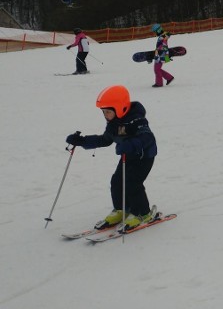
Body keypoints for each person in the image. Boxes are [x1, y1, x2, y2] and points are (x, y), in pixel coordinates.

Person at [65, 85, 159, 230]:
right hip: (127, 156)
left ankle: (143, 213)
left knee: (133, 182)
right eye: (103, 112)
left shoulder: (137, 119)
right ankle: (122, 209)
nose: (105, 115)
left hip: (144, 157)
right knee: (117, 181)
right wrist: (82, 141)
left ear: (120, 108)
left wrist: (131, 144)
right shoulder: (113, 123)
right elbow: (105, 140)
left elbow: (148, 137)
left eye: (108, 111)